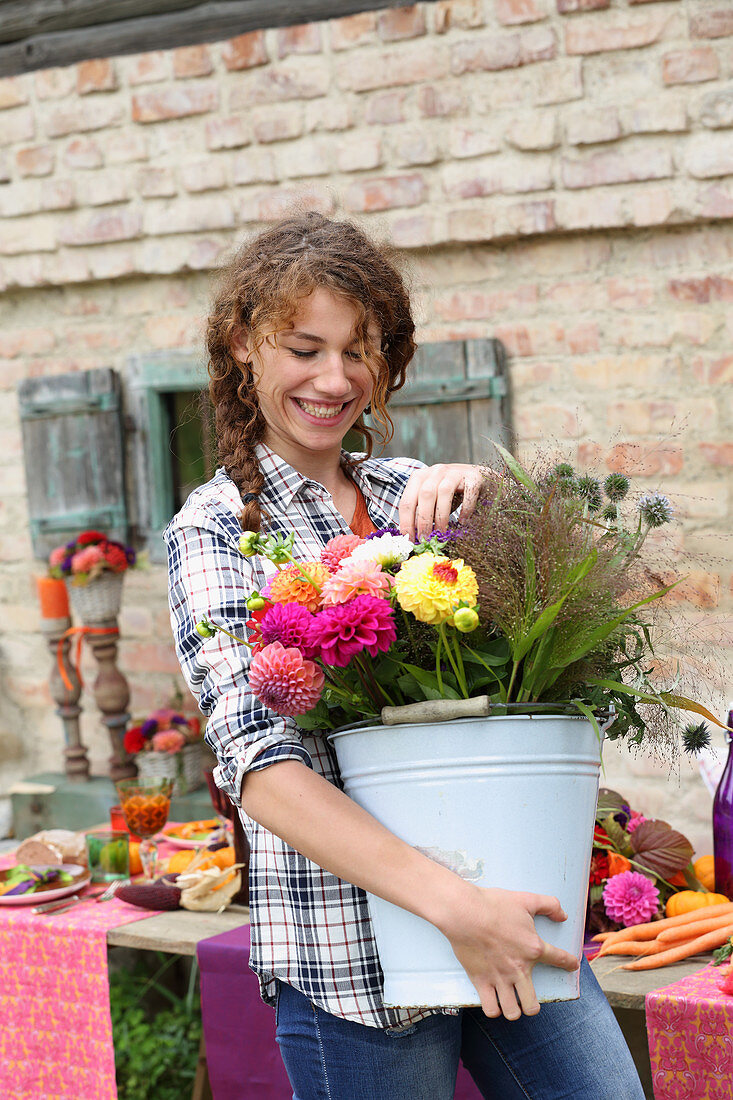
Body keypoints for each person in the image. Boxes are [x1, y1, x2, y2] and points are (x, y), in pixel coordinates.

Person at [165, 212, 645, 1099]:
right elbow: (262, 770)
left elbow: (539, 648)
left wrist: (495, 504)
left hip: (511, 913)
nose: (334, 379)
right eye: (304, 348)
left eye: (360, 351)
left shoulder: (406, 495)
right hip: (358, 965)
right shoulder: (218, 532)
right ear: (242, 347)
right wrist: (455, 909)